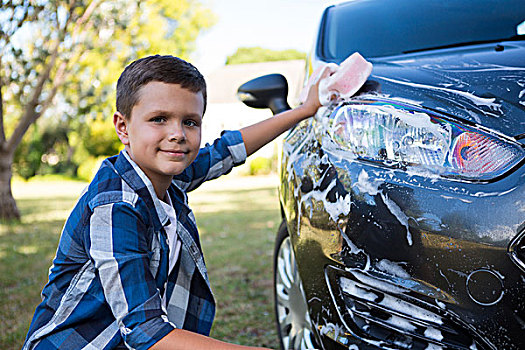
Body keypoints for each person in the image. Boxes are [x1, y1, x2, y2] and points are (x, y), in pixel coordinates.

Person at [23, 55, 321, 349]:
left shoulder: (168, 174)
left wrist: (304, 110)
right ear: (123, 127)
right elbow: (145, 330)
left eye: (190, 122)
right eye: (159, 119)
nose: (178, 134)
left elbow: (227, 150)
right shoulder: (116, 207)